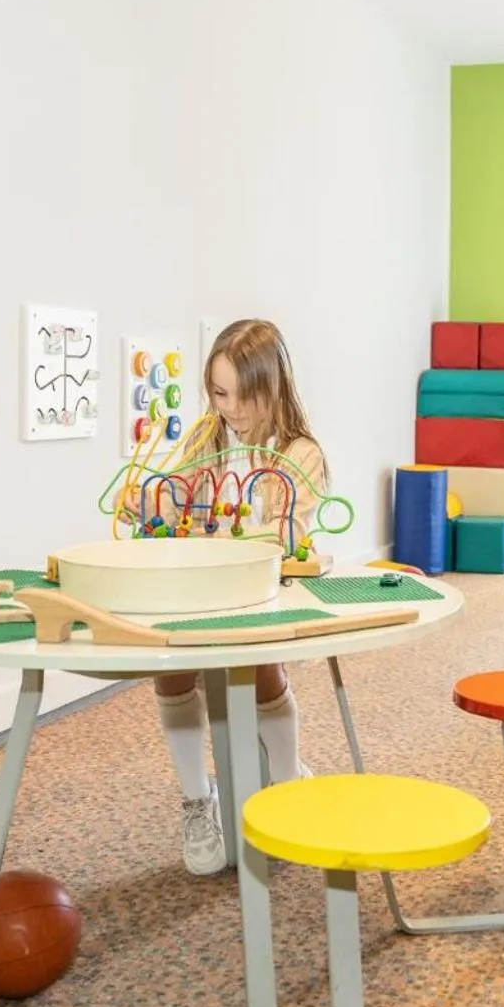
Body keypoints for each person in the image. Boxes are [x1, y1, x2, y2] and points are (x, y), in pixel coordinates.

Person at [151, 319, 327, 872]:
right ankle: (197, 800)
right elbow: (172, 496)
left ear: (273, 387)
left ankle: (285, 780)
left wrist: (233, 539)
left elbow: (281, 537)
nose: (231, 409)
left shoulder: (299, 452)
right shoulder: (207, 439)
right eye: (219, 393)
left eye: (244, 396)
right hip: (201, 591)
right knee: (171, 669)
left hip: (259, 594)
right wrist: (157, 503)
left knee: (262, 675)